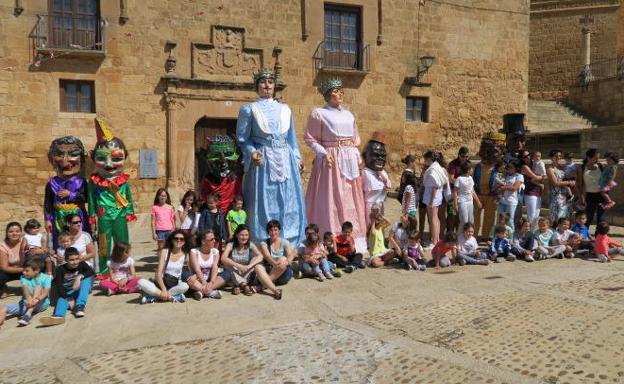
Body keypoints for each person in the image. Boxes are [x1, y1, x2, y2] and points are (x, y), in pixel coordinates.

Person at [236, 70, 306, 246]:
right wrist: (252, 152)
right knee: (265, 200)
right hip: (263, 160)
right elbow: (243, 139)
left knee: (289, 200)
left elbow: (291, 138)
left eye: (270, 82)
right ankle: (263, 240)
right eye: (263, 82)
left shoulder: (285, 109)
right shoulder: (249, 109)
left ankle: (289, 240)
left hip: (286, 158)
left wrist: (297, 158)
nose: (267, 85)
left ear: (274, 87)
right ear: (257, 86)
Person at [304, 79, 367, 250]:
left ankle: (354, 238)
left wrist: (357, 156)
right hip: (330, 157)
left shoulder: (349, 114)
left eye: (341, 90)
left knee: (350, 197)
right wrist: (323, 153)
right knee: (332, 197)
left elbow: (355, 138)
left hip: (349, 158)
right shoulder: (319, 113)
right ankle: (330, 234)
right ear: (328, 93)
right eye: (337, 90)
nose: (341, 94)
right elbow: (310, 138)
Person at [221, 225, 282, 298]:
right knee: (228, 264)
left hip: (247, 272)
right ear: (237, 235)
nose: (244, 237)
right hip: (235, 273)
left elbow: (261, 256)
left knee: (257, 263)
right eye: (242, 235)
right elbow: (223, 258)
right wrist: (239, 266)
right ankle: (244, 286)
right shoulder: (231, 245)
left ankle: (275, 290)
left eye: (246, 235)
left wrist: (248, 266)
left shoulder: (250, 244)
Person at [39, 247, 94, 326]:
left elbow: (91, 272)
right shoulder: (60, 269)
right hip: (68, 293)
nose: (75, 262)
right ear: (66, 260)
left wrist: (79, 277)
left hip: (81, 290)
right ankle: (58, 317)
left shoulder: (82, 264)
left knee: (86, 280)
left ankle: (80, 306)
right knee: (61, 300)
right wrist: (68, 298)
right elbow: (59, 286)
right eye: (71, 260)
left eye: (77, 259)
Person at [137, 230, 190, 304]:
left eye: (182, 239)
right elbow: (158, 273)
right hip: (161, 282)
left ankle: (155, 297)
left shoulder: (185, 254)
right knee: (140, 282)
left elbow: (192, 270)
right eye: (176, 238)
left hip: (174, 284)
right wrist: (164, 289)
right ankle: (171, 297)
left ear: (184, 242)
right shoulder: (165, 251)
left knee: (185, 286)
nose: (179, 240)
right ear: (172, 240)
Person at [0, 258, 51, 328]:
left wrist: (35, 300)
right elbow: (25, 288)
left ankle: (27, 315)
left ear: (36, 271)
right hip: (26, 304)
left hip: (40, 304)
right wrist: (28, 299)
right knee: (4, 308)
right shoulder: (23, 277)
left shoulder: (46, 278)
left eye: (27, 271)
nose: (24, 272)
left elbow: (45, 293)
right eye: (23, 270)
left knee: (38, 287)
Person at [186, 230, 230, 300]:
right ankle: (211, 292)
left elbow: (215, 267)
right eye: (212, 239)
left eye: (215, 239)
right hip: (198, 279)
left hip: (210, 279)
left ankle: (202, 292)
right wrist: (204, 282)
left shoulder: (215, 252)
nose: (214, 241)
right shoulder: (194, 252)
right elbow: (197, 269)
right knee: (185, 275)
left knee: (227, 274)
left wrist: (211, 282)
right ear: (203, 241)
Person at [422, 151, 450, 246]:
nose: (424, 161)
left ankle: (434, 241)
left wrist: (431, 201)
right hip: (437, 197)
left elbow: (434, 186)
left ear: (429, 159)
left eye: (425, 159)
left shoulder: (433, 170)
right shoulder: (438, 168)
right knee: (436, 218)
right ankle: (436, 239)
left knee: (433, 219)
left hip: (432, 198)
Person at [259, 220, 296, 287]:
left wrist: (284, 263)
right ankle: (270, 282)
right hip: (270, 269)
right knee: (259, 267)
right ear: (268, 231)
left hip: (283, 273)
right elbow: (267, 256)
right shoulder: (264, 243)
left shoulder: (285, 242)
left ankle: (264, 284)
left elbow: (290, 257)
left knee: (283, 259)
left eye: (275, 230)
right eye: (271, 230)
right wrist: (275, 264)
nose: (273, 233)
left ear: (279, 231)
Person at [519, 151, 546, 231]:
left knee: (536, 216)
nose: (528, 157)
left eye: (528, 155)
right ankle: (527, 233)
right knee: (531, 215)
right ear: (522, 158)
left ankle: (532, 233)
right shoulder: (524, 166)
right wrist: (544, 176)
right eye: (525, 156)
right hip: (530, 192)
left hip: (537, 191)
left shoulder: (534, 164)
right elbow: (534, 177)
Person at [577, 149, 604, 227]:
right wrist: (582, 197)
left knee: (601, 219)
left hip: (601, 195)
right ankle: (584, 235)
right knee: (588, 218)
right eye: (595, 158)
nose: (597, 160)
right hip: (589, 196)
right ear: (588, 157)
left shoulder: (600, 166)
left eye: (598, 158)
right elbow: (581, 184)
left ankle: (599, 236)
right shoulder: (582, 168)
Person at [447, 147, 471, 234]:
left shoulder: (468, 163)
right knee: (452, 215)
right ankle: (450, 234)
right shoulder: (453, 164)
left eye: (467, 156)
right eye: (463, 156)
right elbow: (450, 178)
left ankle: (459, 235)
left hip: (464, 195)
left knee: (462, 216)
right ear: (459, 155)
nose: (465, 158)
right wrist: (461, 183)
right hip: (454, 193)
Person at [547, 150, 575, 226]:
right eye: (556, 156)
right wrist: (569, 182)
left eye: (559, 156)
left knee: (566, 215)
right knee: (557, 216)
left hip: (565, 195)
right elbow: (556, 183)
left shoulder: (562, 167)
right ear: (551, 157)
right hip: (556, 195)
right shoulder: (550, 169)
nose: (558, 158)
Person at [495, 160, 524, 231]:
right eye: (508, 167)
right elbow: (498, 185)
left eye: (511, 167)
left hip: (511, 202)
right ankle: (498, 237)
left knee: (510, 221)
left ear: (516, 168)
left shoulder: (519, 176)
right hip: (502, 201)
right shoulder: (505, 175)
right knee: (499, 220)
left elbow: (515, 188)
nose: (508, 168)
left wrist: (504, 187)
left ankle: (511, 239)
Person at [0, 222, 27, 299]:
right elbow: (4, 267)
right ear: (7, 233)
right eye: (11, 231)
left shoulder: (25, 241)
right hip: (9, 271)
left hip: (26, 270)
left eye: (17, 231)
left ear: (21, 232)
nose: (14, 234)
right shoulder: (2, 246)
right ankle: (3, 289)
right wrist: (23, 269)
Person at [453, 162, 482, 234]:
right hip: (462, 201)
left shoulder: (470, 178)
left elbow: (472, 191)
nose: (473, 170)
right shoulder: (459, 179)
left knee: (470, 221)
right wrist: (455, 204)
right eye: (472, 168)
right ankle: (459, 238)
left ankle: (468, 238)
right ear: (468, 170)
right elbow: (455, 192)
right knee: (464, 221)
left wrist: (478, 201)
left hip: (470, 202)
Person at [151, 188, 176, 254]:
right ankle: (161, 262)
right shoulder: (154, 207)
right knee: (161, 248)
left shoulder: (170, 207)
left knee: (171, 248)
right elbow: (153, 221)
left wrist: (174, 230)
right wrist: (154, 233)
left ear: (167, 197)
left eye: (164, 196)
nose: (163, 197)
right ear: (158, 196)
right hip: (160, 231)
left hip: (170, 230)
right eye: (161, 195)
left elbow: (173, 220)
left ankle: (169, 262)